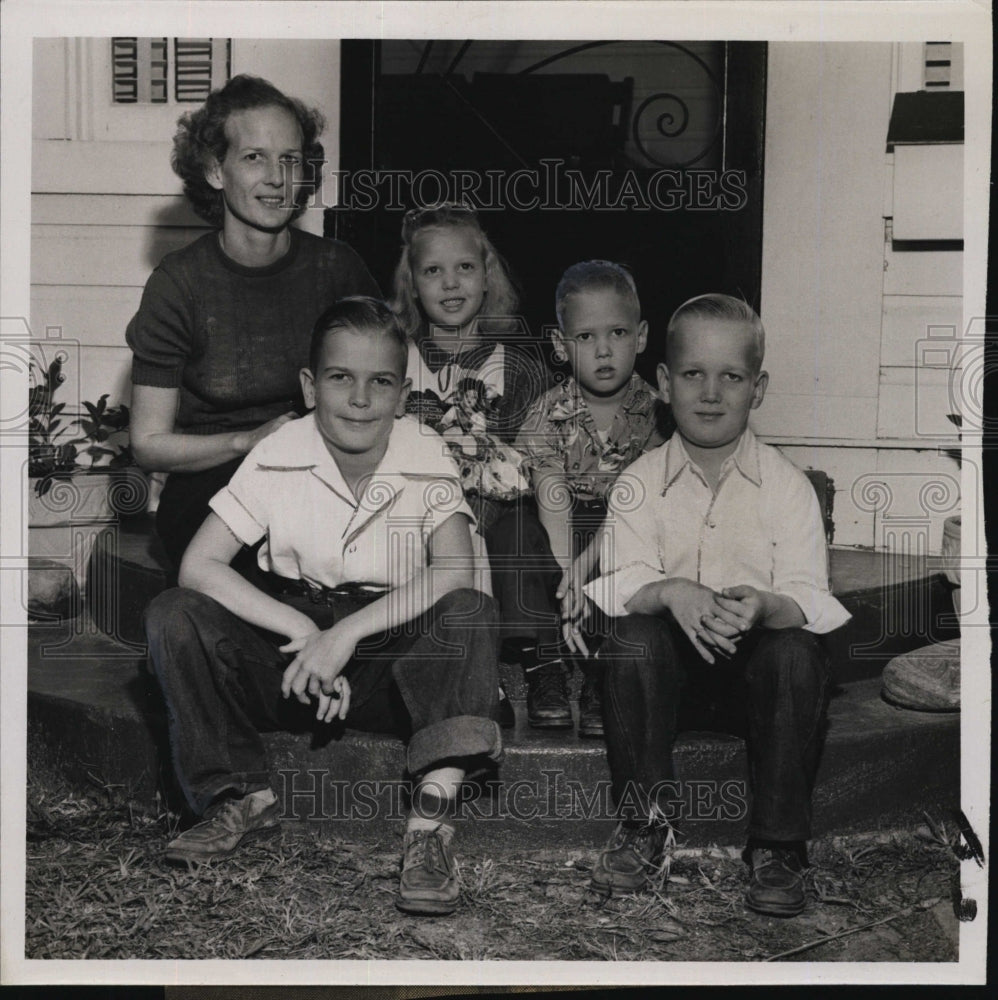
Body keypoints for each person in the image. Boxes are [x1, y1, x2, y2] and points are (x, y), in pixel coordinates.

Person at [144, 298, 501, 917]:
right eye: (341, 377)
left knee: (469, 610)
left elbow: (454, 568)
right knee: (174, 612)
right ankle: (237, 797)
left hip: (385, 663)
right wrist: (304, 631)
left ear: (402, 392)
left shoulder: (423, 451)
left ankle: (429, 832)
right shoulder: (278, 450)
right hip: (291, 659)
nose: (360, 398)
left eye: (380, 381)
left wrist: (346, 638)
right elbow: (197, 565)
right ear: (311, 386)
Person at [582, 293, 850, 916]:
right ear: (663, 383)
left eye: (730, 377)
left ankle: (777, 846)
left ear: (757, 389)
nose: (710, 393)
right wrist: (671, 591)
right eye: (693, 375)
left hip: (755, 677)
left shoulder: (787, 487)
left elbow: (813, 597)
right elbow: (619, 581)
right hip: (669, 679)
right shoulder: (640, 481)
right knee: (632, 636)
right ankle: (646, 825)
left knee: (795, 653)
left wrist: (764, 604)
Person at [126, 74, 379, 570]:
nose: (277, 178)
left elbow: (382, 386)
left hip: (323, 466)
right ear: (215, 170)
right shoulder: (178, 284)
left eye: (290, 159)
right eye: (254, 157)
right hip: (214, 481)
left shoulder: (338, 268)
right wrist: (247, 440)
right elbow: (148, 444)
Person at [501, 261, 670, 735]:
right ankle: (543, 665)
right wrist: (564, 579)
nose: (603, 350)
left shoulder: (659, 415)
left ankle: (605, 669)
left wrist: (585, 570)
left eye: (617, 333)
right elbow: (551, 496)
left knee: (637, 542)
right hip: (558, 525)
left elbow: (644, 504)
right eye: (585, 337)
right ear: (560, 344)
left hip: (619, 531)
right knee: (513, 532)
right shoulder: (548, 413)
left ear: (640, 337)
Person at [390, 203, 549, 534]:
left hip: (491, 532)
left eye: (465, 267)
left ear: (487, 277)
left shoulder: (520, 373)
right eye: (432, 270)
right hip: (406, 522)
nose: (450, 283)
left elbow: (534, 474)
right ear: (413, 285)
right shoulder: (394, 363)